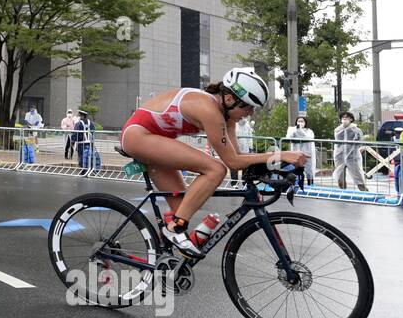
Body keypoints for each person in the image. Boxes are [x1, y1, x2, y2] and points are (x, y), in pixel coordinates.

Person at [119, 69, 308, 258]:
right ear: (229, 99)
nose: (250, 114)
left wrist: (274, 162)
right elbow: (232, 162)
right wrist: (281, 154)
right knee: (215, 170)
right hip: (138, 136)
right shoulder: (209, 110)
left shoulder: (228, 116)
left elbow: (239, 157)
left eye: (254, 109)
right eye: (248, 107)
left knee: (184, 207)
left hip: (156, 139)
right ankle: (174, 229)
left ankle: (161, 258)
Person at [333, 112, 369, 192]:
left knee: (357, 175)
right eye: (343, 117)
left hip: (352, 155)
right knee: (340, 175)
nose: (344, 119)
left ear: (351, 119)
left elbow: (360, 141)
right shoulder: (338, 130)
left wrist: (359, 147)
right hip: (340, 155)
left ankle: (364, 192)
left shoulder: (356, 130)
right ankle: (342, 191)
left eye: (347, 117)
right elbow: (337, 142)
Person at [288, 116, 316, 188]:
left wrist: (301, 130)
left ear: (305, 122)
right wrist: (296, 130)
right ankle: (296, 185)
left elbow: (308, 138)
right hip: (295, 153)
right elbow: (289, 137)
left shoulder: (309, 131)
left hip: (306, 153)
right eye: (298, 121)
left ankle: (310, 184)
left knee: (308, 169)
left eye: (302, 121)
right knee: (295, 168)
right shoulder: (292, 129)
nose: (300, 123)